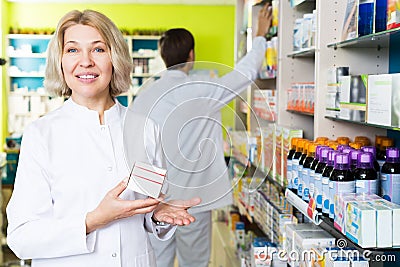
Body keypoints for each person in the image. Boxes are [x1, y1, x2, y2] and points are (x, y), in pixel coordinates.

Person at [6, 9, 200, 267]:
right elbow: (21, 238)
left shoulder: (145, 129)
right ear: (60, 61)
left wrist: (158, 215)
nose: (85, 61)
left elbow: (148, 213)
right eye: (72, 50)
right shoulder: (42, 134)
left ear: (114, 58)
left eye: (98, 49)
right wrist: (92, 220)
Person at [130, 4, 272, 267]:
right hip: (194, 198)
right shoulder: (200, 90)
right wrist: (260, 37)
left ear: (164, 58)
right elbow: (244, 74)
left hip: (155, 199)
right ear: (192, 55)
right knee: (194, 262)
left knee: (156, 260)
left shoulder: (145, 95)